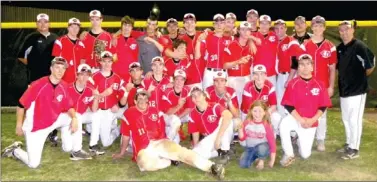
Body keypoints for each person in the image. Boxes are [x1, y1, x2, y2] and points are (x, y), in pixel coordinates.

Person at [1, 57, 92, 168]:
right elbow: (21, 105)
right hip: (36, 127)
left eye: (63, 68)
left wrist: (73, 118)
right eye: (57, 67)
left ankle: (73, 149)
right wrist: (19, 125)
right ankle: (15, 150)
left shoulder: (63, 85)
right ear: (51, 69)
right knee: (33, 164)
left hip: (54, 120)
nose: (60, 71)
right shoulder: (38, 85)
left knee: (76, 115)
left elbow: (69, 106)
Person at [116, 89, 226, 180]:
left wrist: (166, 141)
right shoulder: (128, 113)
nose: (143, 101)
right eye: (139, 98)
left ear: (148, 100)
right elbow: (125, 136)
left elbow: (162, 127)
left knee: (183, 153)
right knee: (144, 164)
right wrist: (121, 152)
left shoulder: (155, 110)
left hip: (160, 142)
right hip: (143, 148)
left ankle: (212, 167)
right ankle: (167, 161)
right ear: (135, 101)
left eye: (145, 98)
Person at [286, 16, 337, 152]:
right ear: (311, 27)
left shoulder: (330, 46)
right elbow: (298, 65)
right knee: (301, 109)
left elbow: (332, 68)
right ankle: (298, 135)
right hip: (304, 83)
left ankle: (320, 139)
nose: (318, 28)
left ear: (324, 27)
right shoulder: (305, 45)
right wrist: (294, 82)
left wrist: (331, 86)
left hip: (322, 85)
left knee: (322, 113)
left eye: (321, 26)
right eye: (315, 26)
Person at [279, 54, 332, 167]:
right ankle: (288, 153)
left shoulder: (320, 84)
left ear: (312, 67)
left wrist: (312, 120)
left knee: (305, 155)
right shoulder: (292, 84)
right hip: (296, 118)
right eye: (302, 64)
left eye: (308, 64)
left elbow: (323, 106)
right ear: (298, 67)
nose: (305, 67)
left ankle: (298, 140)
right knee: (283, 123)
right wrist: (301, 120)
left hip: (311, 122)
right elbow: (288, 105)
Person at [336, 20, 375, 159]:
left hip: (357, 91)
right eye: (341, 30)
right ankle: (348, 143)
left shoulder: (359, 46)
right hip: (344, 90)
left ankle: (354, 148)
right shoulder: (339, 48)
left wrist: (359, 78)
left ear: (353, 30)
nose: (344, 32)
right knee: (346, 119)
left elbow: (370, 65)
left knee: (355, 120)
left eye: (347, 29)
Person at [188, 86, 234, 164]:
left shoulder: (214, 106)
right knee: (195, 154)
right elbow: (195, 133)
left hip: (222, 134)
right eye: (193, 96)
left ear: (204, 96)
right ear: (191, 99)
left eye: (199, 94)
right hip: (209, 138)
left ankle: (225, 151)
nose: (196, 98)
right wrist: (197, 147)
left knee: (227, 119)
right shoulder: (192, 114)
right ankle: (219, 152)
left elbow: (229, 115)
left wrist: (218, 138)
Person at [90, 51, 126, 150]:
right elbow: (90, 95)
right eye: (104, 61)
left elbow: (122, 93)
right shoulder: (93, 77)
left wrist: (117, 104)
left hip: (111, 110)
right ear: (100, 62)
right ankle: (114, 128)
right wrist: (102, 94)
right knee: (105, 142)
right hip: (98, 110)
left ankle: (118, 129)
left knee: (127, 115)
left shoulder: (117, 78)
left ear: (112, 62)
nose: (107, 64)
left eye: (109, 61)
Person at [66, 63, 104, 155]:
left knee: (97, 114)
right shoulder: (68, 88)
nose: (84, 77)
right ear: (77, 75)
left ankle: (93, 145)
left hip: (80, 116)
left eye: (87, 75)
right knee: (67, 147)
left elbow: (94, 110)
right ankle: (77, 150)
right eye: (82, 74)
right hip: (67, 117)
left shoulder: (90, 89)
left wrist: (96, 97)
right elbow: (66, 108)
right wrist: (74, 116)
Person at [241, 65, 282, 136]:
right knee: (250, 134)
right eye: (256, 74)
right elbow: (248, 109)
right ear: (253, 76)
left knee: (276, 117)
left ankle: (272, 134)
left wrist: (265, 114)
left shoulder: (270, 85)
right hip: (249, 114)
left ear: (266, 75)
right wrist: (258, 117)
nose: (259, 77)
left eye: (262, 74)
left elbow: (273, 106)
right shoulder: (248, 87)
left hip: (264, 113)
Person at [18, 13, 58, 84]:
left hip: (52, 77)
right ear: (36, 24)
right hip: (35, 78)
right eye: (40, 22)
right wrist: (33, 66)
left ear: (49, 24)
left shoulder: (55, 38)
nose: (43, 24)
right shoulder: (30, 38)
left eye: (45, 22)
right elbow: (21, 56)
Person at [223, 21, 256, 105]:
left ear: (250, 32)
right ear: (239, 31)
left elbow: (252, 66)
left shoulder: (251, 47)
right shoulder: (231, 45)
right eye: (243, 29)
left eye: (248, 30)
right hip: (233, 79)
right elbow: (224, 65)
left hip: (247, 78)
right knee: (233, 104)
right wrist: (238, 62)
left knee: (246, 104)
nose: (245, 32)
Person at [237, 100, 276, 170]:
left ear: (264, 112)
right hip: (250, 148)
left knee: (262, 148)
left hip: (263, 147)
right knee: (243, 165)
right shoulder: (246, 123)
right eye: (255, 111)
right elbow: (242, 138)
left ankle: (261, 160)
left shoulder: (266, 125)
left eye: (260, 111)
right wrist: (240, 129)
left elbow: (272, 144)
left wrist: (272, 161)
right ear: (251, 111)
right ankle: (255, 157)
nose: (257, 114)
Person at [195, 14, 229, 90]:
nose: (219, 25)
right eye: (216, 23)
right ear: (213, 25)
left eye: (221, 23)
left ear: (224, 24)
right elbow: (197, 56)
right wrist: (198, 41)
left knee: (222, 97)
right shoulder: (207, 36)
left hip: (223, 72)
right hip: (210, 72)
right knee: (207, 95)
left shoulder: (229, 38)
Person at [161, 69, 194, 141]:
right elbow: (167, 113)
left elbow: (190, 108)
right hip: (168, 118)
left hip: (179, 116)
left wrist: (178, 117)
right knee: (176, 141)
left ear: (184, 81)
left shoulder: (187, 90)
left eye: (182, 80)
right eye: (177, 79)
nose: (179, 82)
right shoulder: (167, 92)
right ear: (173, 80)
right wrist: (179, 106)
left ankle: (194, 138)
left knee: (194, 114)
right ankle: (167, 141)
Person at [52, 17, 85, 84]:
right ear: (68, 28)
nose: (74, 29)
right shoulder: (60, 41)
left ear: (79, 29)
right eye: (72, 27)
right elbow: (55, 61)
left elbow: (83, 61)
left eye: (76, 27)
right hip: (63, 78)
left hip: (77, 79)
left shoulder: (81, 43)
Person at [252, 15, 279, 87]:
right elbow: (242, 35)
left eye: (266, 23)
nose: (264, 25)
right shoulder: (253, 36)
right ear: (258, 24)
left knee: (271, 96)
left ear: (270, 25)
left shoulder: (275, 36)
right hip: (256, 73)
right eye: (262, 23)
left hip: (271, 74)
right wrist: (251, 40)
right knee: (256, 97)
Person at [112, 15, 139, 82]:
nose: (126, 28)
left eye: (129, 26)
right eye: (125, 25)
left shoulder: (135, 41)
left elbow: (135, 59)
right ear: (121, 26)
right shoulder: (115, 40)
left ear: (132, 28)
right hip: (116, 75)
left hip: (130, 75)